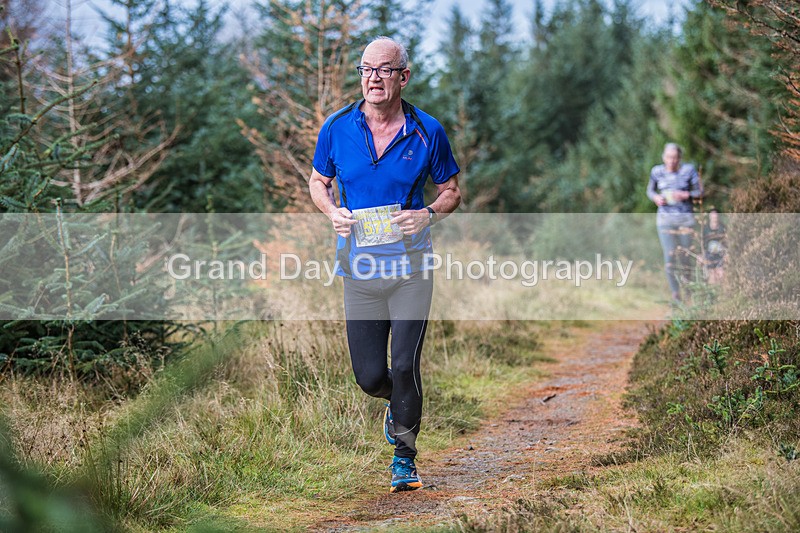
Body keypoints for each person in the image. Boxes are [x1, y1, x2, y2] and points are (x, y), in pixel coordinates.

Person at [308, 36, 461, 493]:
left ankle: (404, 458)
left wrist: (427, 214)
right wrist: (332, 211)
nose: (373, 77)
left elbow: (451, 190)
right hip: (359, 271)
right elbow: (318, 182)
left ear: (403, 77)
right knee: (371, 375)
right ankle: (399, 403)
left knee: (406, 362)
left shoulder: (427, 130)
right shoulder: (337, 127)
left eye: (384, 69)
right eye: (366, 69)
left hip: (411, 270)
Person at [647, 143, 703, 303]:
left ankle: (689, 291)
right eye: (669, 157)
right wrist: (656, 198)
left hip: (686, 220)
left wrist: (685, 195)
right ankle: (675, 294)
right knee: (670, 255)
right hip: (665, 220)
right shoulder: (656, 172)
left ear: (680, 158)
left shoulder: (689, 170)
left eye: (675, 157)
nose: (672, 161)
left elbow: (701, 192)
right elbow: (650, 191)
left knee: (685, 256)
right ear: (663, 157)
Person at [703, 207, 726, 284]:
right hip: (709, 255)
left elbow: (727, 242)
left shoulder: (723, 228)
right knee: (712, 274)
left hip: (721, 254)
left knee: (721, 273)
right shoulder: (705, 229)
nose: (715, 217)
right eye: (713, 215)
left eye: (716, 215)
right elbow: (702, 244)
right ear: (710, 216)